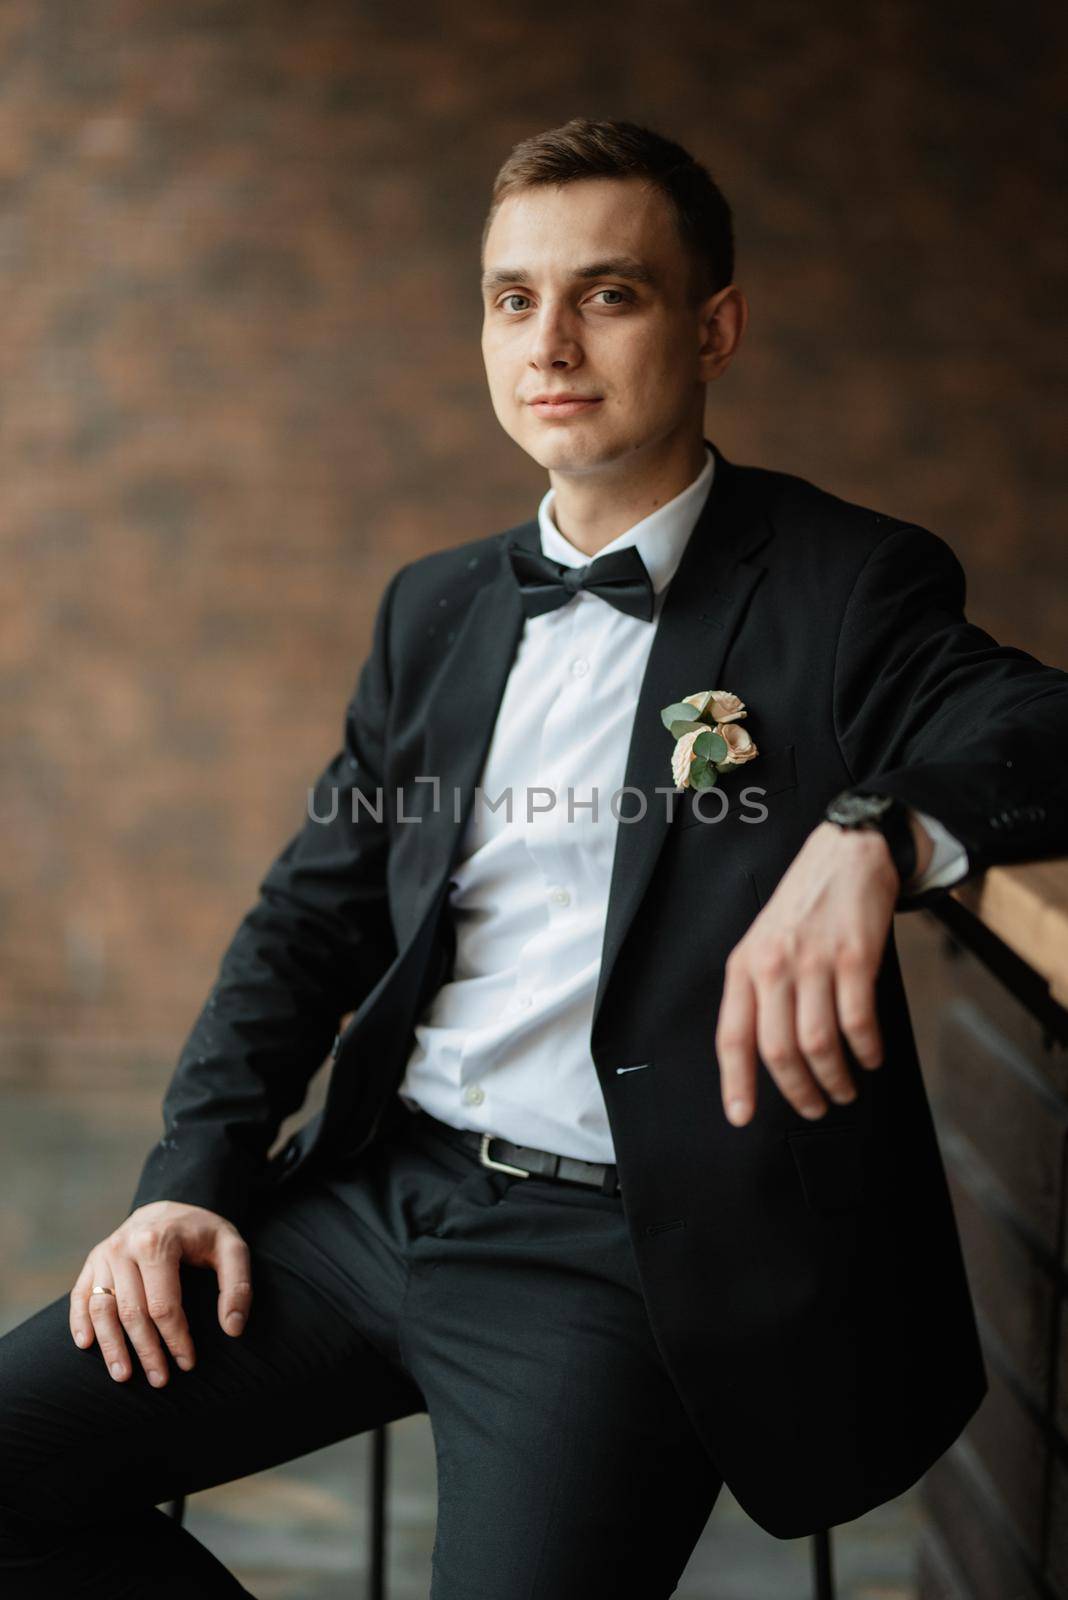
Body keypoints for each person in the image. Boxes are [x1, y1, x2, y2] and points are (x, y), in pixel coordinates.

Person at [2, 116, 1066, 1600]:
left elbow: (1038, 722)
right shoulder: (433, 610)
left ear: (715, 329)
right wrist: (188, 1180)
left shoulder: (841, 585)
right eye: (515, 299)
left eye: (610, 294)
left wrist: (869, 835)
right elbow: (307, 924)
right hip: (379, 1199)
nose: (550, 341)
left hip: (617, 1255)